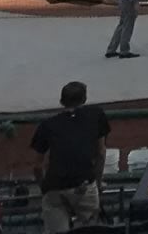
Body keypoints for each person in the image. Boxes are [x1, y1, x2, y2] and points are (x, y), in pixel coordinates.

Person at [30, 81, 109, 234]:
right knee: (91, 229)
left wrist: (44, 188)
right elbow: (101, 153)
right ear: (84, 99)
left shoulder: (47, 125)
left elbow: (37, 166)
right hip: (84, 184)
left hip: (54, 187)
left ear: (61, 102)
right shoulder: (96, 115)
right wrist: (97, 183)